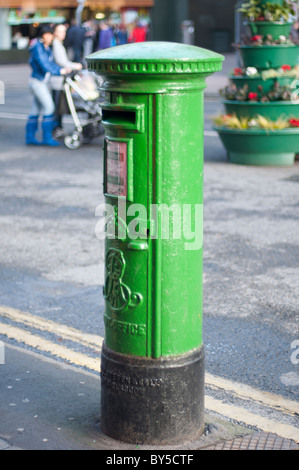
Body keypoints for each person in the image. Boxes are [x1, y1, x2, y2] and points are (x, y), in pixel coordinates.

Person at [25, 25, 71, 146]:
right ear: (43, 35)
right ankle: (46, 137)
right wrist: (60, 71)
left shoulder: (45, 47)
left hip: (41, 82)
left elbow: (50, 63)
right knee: (49, 107)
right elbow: (45, 65)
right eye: (49, 35)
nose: (51, 37)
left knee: (35, 109)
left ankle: (30, 137)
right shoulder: (38, 47)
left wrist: (61, 69)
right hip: (37, 82)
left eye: (51, 35)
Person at [50, 23, 82, 134]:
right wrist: (74, 65)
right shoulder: (56, 44)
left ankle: (58, 127)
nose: (63, 34)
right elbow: (61, 61)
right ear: (55, 32)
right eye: (61, 31)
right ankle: (56, 128)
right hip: (57, 81)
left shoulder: (58, 44)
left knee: (59, 106)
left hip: (60, 80)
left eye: (64, 31)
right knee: (58, 106)